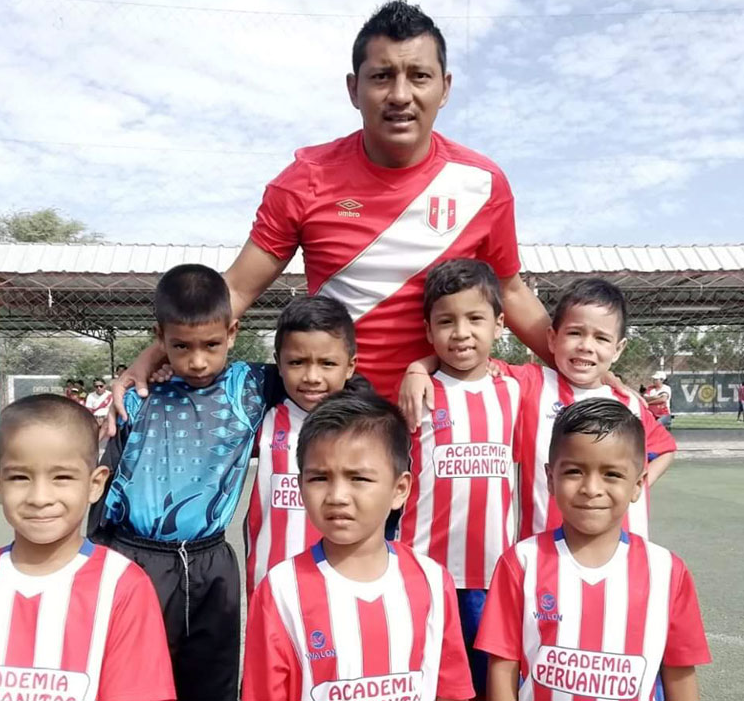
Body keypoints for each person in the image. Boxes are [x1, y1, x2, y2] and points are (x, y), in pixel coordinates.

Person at [112, 0, 554, 416]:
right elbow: (238, 289)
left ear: (445, 88)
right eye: (382, 77)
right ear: (353, 88)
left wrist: (576, 364)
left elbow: (511, 291)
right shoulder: (304, 180)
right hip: (340, 420)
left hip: (441, 418)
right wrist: (153, 355)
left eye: (419, 76)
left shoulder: (483, 183)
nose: (400, 94)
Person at [0, 394, 175, 701]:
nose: (40, 497)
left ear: (95, 484)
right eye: (20, 477)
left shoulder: (122, 585)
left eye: (62, 477)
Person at [88, 264, 283, 701]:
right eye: (180, 346)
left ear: (232, 333)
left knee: (214, 685)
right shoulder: (137, 397)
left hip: (213, 566)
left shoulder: (252, 386)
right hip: (137, 561)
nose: (197, 361)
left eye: (211, 345)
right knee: (133, 683)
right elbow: (107, 490)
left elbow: (320, 366)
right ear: (160, 337)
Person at [242, 391, 475, 701]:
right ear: (300, 486)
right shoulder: (280, 590)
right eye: (319, 478)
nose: (337, 496)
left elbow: (451, 690)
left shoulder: (431, 580)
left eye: (359, 479)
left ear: (399, 489)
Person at [403, 278, 678, 541]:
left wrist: (634, 486)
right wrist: (418, 368)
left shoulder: (629, 403)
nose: (586, 346)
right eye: (575, 333)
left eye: (601, 338)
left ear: (617, 349)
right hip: (544, 553)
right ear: (552, 339)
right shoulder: (529, 384)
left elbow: (665, 449)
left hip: (623, 553)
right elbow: (470, 358)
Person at [475, 398, 711, 701]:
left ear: (638, 484)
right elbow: (502, 667)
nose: (591, 488)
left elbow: (680, 673)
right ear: (550, 478)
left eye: (612, 474)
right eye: (574, 471)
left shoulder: (667, 572)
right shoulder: (520, 563)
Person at [396, 259, 520, 700]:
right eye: (446, 321)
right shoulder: (417, 392)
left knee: (491, 682)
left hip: (493, 575)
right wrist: (417, 368)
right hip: (426, 569)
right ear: (429, 331)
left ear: (499, 324)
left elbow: (577, 373)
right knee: (428, 680)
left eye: (475, 319)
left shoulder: (517, 388)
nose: (461, 332)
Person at [244, 294, 364, 599]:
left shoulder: (366, 431)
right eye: (297, 362)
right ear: (279, 363)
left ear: (350, 366)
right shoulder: (260, 421)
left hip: (342, 587)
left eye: (327, 363)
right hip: (270, 586)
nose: (312, 377)